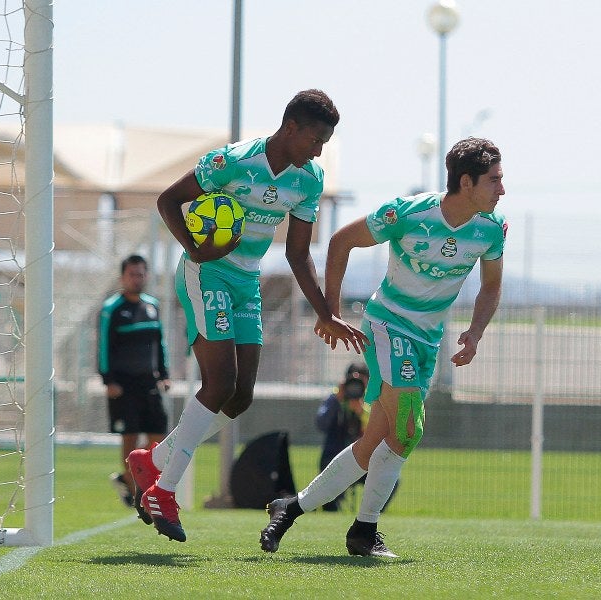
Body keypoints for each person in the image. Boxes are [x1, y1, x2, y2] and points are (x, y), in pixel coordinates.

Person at [127, 89, 367, 542]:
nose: (320, 151)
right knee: (218, 385)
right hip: (206, 274)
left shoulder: (309, 179)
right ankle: (165, 489)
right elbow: (168, 201)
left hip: (246, 282)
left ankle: (153, 463)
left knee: (239, 398)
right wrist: (197, 250)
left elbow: (298, 253)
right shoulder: (232, 162)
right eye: (316, 139)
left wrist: (326, 314)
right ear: (291, 127)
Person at [260, 136, 506, 558]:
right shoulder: (409, 213)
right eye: (494, 180)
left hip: (426, 340)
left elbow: (492, 285)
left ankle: (292, 507)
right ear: (466, 183)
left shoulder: (491, 229)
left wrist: (476, 332)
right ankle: (364, 530)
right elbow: (340, 242)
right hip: (388, 325)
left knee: (376, 441)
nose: (502, 189)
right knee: (410, 427)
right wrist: (330, 312)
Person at [98, 254, 172, 509]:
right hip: (123, 386)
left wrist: (164, 374)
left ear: (147, 276)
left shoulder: (152, 305)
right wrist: (108, 380)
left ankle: (131, 477)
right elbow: (103, 346)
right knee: (129, 437)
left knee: (158, 438)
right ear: (123, 277)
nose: (137, 279)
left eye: (141, 274)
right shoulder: (112, 309)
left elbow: (159, 343)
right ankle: (135, 492)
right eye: (132, 274)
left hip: (149, 383)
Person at [315, 362, 368, 512]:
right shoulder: (335, 398)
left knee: (391, 480)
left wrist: (361, 411)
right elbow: (321, 423)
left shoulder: (371, 400)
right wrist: (337, 400)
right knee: (330, 505)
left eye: (360, 380)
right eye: (352, 380)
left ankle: (372, 514)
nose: (355, 386)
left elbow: (375, 433)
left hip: (363, 461)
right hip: (333, 458)